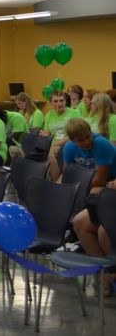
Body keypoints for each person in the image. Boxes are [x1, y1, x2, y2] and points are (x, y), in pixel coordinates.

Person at [65, 118, 116, 296]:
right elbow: (69, 176)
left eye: (88, 137)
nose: (86, 142)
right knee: (79, 222)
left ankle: (110, 273)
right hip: (97, 195)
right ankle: (104, 273)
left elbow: (100, 179)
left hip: (106, 191)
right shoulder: (69, 148)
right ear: (72, 141)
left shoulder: (102, 145)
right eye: (81, 140)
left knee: (104, 231)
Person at [43, 90, 80, 180]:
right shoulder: (48, 115)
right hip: (52, 145)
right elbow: (46, 132)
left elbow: (75, 134)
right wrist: (45, 136)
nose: (59, 104)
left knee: (49, 154)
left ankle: (57, 183)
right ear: (50, 103)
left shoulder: (74, 113)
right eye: (55, 101)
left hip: (68, 144)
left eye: (61, 100)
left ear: (66, 101)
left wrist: (54, 144)